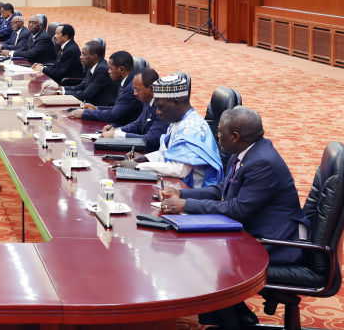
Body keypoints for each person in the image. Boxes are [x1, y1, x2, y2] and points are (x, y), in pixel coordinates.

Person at [162, 106, 309, 329]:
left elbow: (237, 210)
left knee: (204, 261)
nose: (217, 135)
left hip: (277, 241)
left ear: (235, 136)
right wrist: (182, 194)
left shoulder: (262, 162)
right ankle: (239, 318)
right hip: (256, 230)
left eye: (220, 131)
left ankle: (235, 323)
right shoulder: (244, 152)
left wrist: (186, 206)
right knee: (199, 252)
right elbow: (222, 190)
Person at [114, 74, 223, 188]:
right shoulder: (178, 122)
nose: (157, 112)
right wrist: (146, 158)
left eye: (160, 107)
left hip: (191, 191)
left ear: (176, 103)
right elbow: (168, 154)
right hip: (175, 186)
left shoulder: (191, 127)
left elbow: (179, 169)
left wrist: (138, 167)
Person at [99, 67, 167, 153]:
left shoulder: (163, 108)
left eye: (137, 90)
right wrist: (117, 130)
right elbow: (138, 124)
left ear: (151, 89)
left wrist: (118, 135)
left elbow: (151, 140)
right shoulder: (147, 101)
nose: (134, 93)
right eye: (134, 89)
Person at [67, 50, 141, 126]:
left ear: (121, 69)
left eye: (110, 68)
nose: (108, 71)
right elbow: (117, 108)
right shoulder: (126, 80)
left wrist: (85, 113)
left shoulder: (131, 88)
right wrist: (96, 108)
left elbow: (113, 115)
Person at [59, 40, 117, 106]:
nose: (80, 57)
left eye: (84, 54)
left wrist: (62, 93)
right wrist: (62, 89)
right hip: (90, 104)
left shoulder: (102, 70)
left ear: (94, 56)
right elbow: (83, 86)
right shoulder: (91, 65)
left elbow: (86, 94)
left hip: (101, 107)